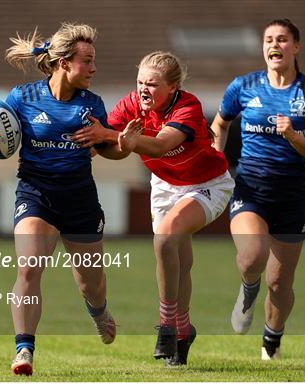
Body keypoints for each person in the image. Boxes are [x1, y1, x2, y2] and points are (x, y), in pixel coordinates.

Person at [0, 23, 141, 376]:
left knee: (90, 283)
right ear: (63, 62)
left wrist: (123, 143)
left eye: (94, 61)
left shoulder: (92, 103)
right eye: (87, 61)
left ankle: (99, 311)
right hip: (35, 195)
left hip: (79, 200)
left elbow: (108, 151)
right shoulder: (22, 97)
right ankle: (23, 350)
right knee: (28, 267)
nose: (93, 68)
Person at [71, 51, 234, 366]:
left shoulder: (188, 106)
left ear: (172, 88)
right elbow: (114, 150)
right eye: (140, 82)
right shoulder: (132, 104)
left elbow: (159, 144)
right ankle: (184, 330)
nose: (143, 89)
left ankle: (166, 325)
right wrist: (92, 147)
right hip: (164, 184)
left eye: (153, 84)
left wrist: (109, 135)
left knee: (164, 240)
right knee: (179, 262)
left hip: (206, 185)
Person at [210, 19, 305, 360]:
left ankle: (271, 343)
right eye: (268, 40)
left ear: (296, 46)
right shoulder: (243, 86)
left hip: (292, 196)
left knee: (280, 283)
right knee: (252, 256)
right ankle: (247, 291)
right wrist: (216, 157)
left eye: (282, 39)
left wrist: (294, 136)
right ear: (263, 47)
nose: (274, 45)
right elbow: (220, 123)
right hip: (251, 188)